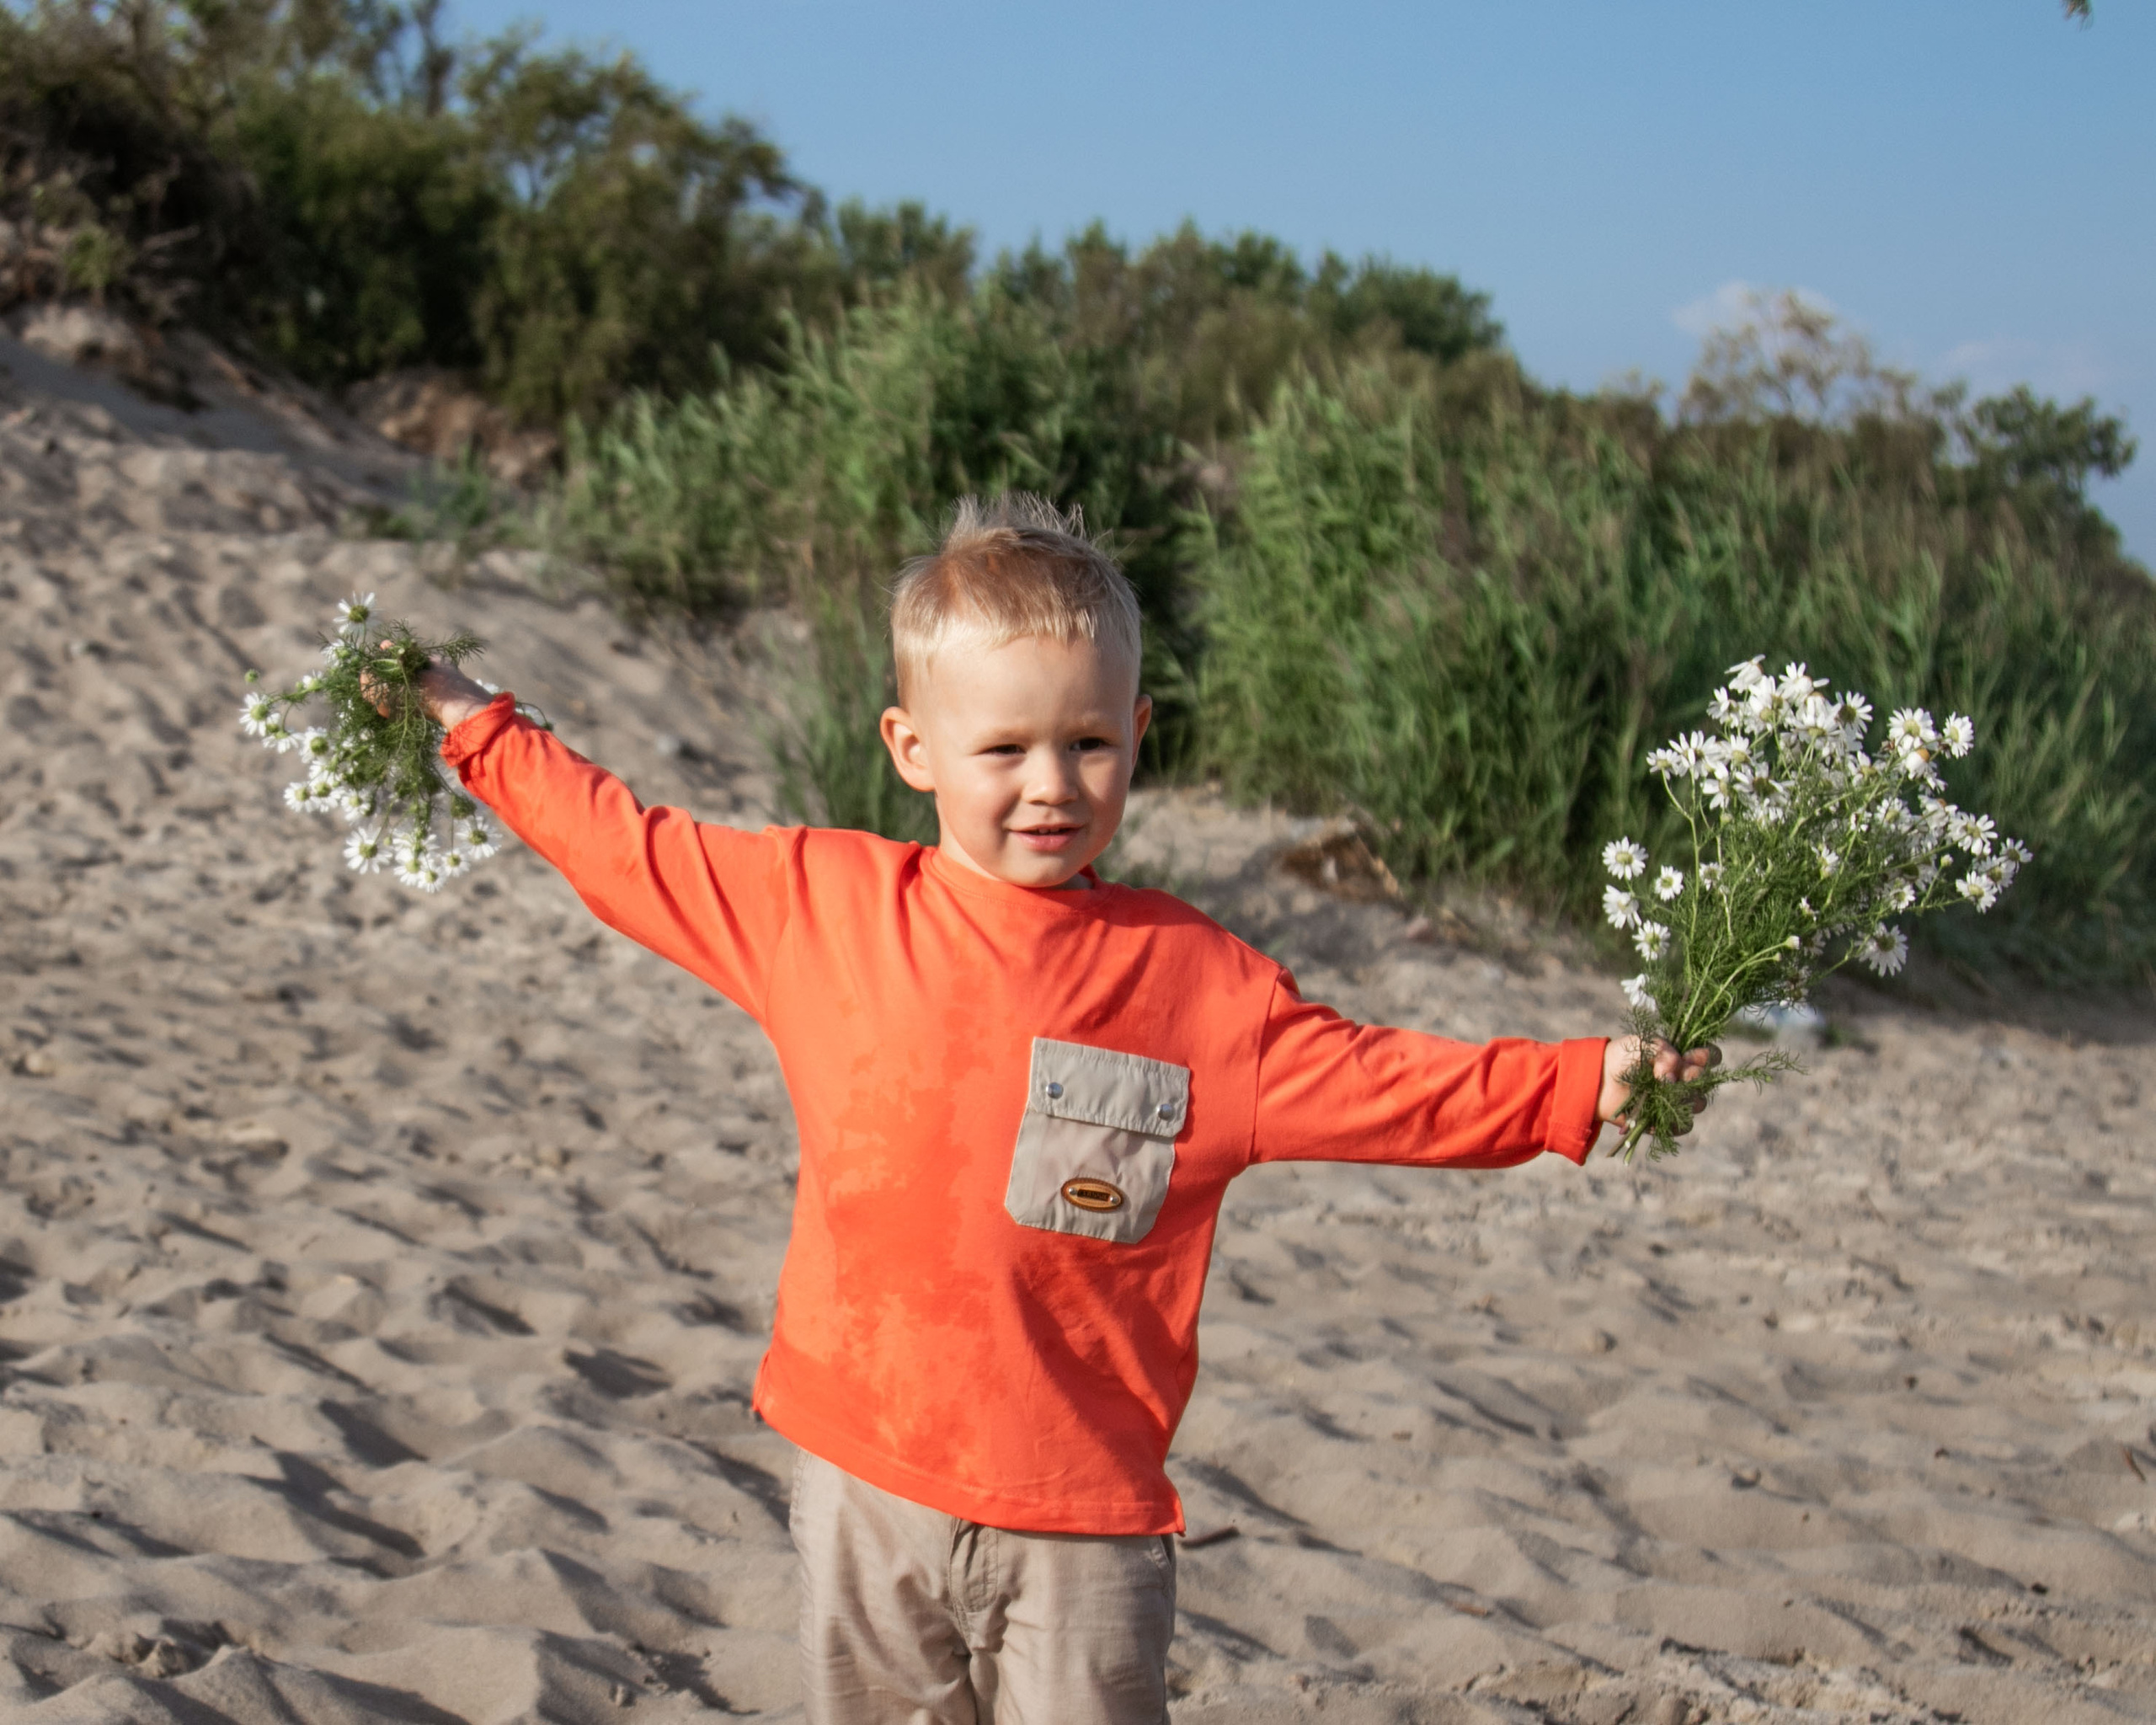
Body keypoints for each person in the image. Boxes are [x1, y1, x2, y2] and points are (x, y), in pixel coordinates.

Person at [402, 494, 1717, 1724]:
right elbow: (623, 844)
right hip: (864, 1477)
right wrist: (468, 717)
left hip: (1084, 1512)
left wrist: (1577, 1080)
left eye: (1090, 743)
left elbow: (1389, 1084)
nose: (1053, 785)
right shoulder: (824, 910)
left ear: (1138, 736)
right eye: (1006, 748)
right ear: (912, 750)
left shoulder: (1204, 986)